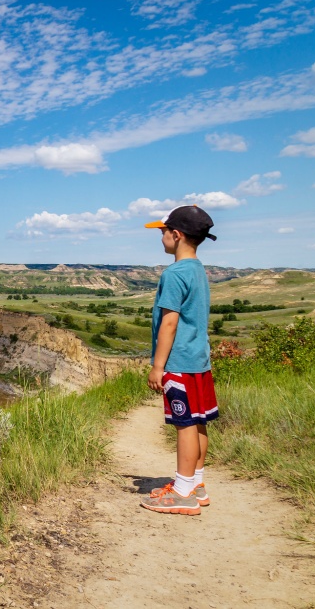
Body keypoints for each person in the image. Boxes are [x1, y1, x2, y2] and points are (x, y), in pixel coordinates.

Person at [139, 205, 219, 516]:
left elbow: (169, 323)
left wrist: (158, 366)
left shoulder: (173, 274)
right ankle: (196, 484)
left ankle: (183, 492)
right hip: (199, 361)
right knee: (198, 422)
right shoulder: (198, 269)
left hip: (179, 363)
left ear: (177, 234)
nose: (160, 237)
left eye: (163, 231)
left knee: (184, 425)